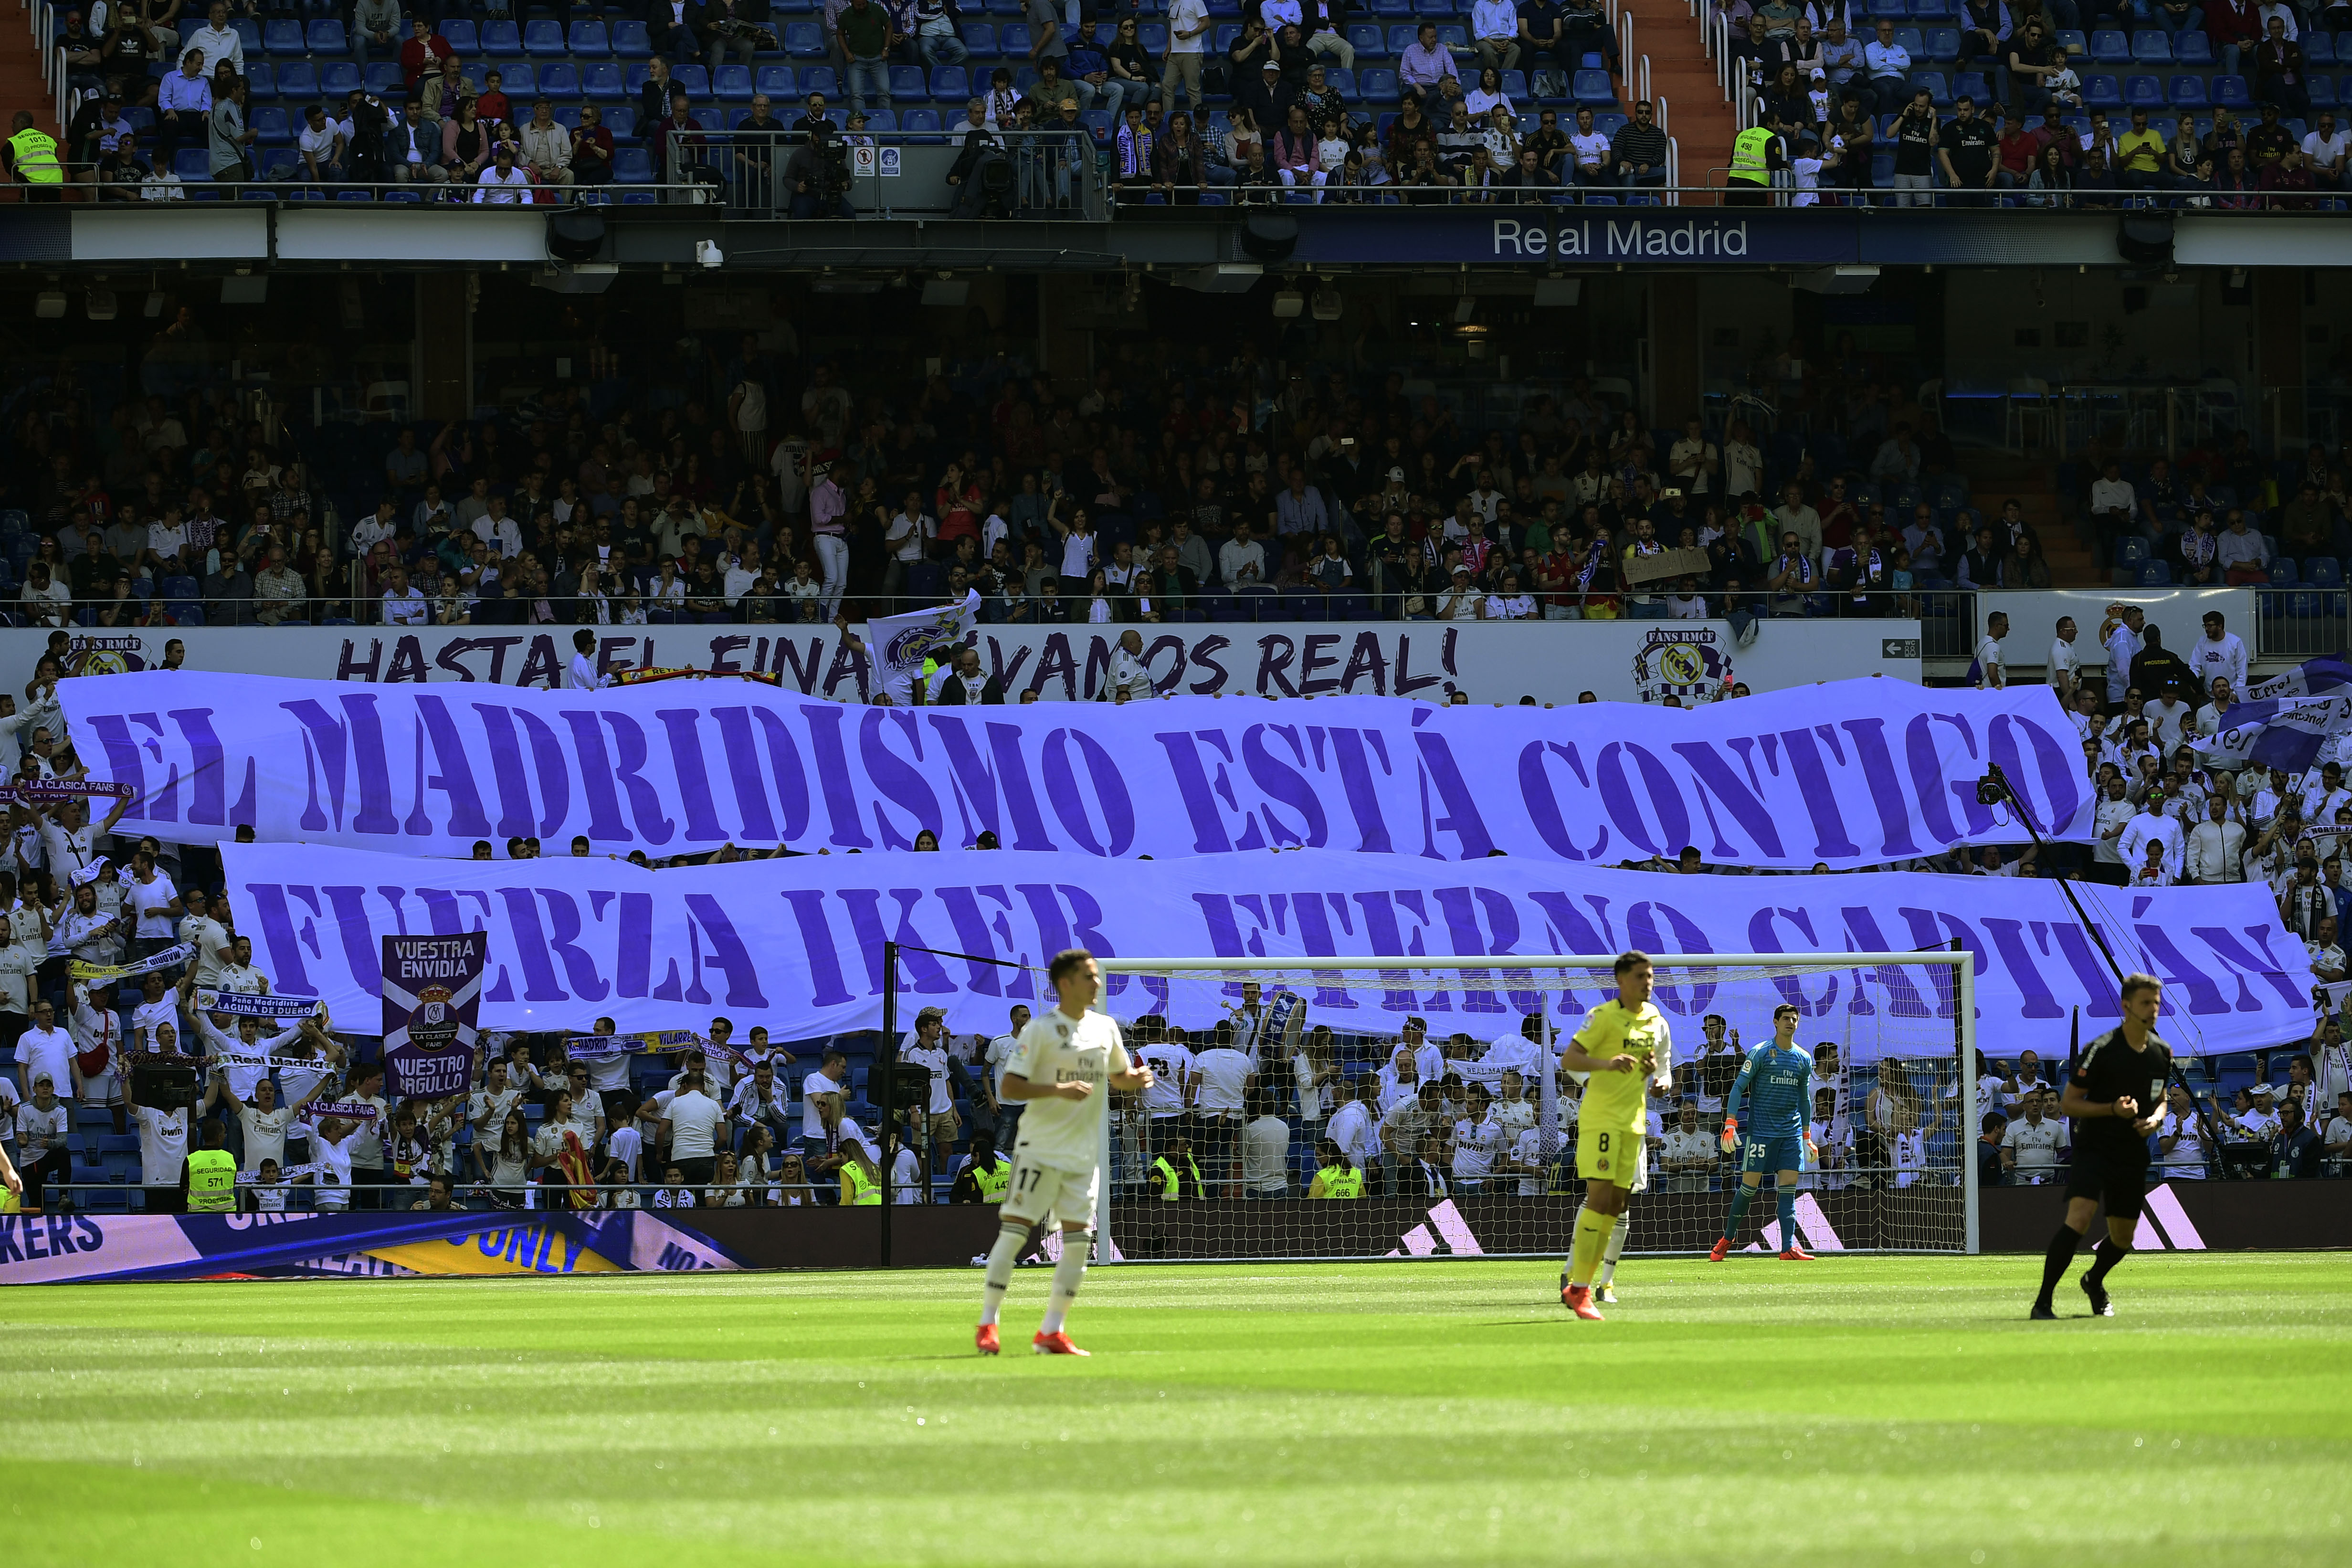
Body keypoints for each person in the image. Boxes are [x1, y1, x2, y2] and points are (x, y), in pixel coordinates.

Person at [973, 947, 1155, 1357]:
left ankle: (1051, 1330)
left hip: (1082, 1153)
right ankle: (988, 1323)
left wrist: (1137, 1078)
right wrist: (1059, 1088)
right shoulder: (1039, 1031)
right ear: (1065, 983)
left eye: (1097, 975)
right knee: (1015, 1232)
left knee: (1078, 1240)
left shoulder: (1105, 1027)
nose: (1097, 982)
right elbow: (1010, 1086)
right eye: (1089, 976)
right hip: (1039, 1147)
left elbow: (1119, 1076)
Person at [2030, 973, 2172, 1319]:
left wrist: (2155, 1120)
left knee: (2122, 1238)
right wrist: (2112, 1109)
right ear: (2126, 1006)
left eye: (2156, 1003)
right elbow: (2069, 1104)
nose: (2152, 1009)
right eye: (2145, 1003)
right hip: (2094, 1148)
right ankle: (2043, 1303)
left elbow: (2162, 1099)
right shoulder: (2101, 1049)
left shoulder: (2161, 1052)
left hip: (2132, 1153)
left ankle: (2093, 1281)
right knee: (2078, 1219)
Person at [1557, 949, 1672, 1320]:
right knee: (1599, 1198)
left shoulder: (1656, 1020)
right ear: (1621, 980)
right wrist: (1605, 1064)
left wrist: (1658, 1081)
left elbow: (1661, 1067)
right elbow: (1569, 1059)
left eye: (1650, 975)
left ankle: (1589, 1284)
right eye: (1640, 976)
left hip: (1634, 1123)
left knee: (1617, 1204)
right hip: (1601, 1119)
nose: (1647, 982)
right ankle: (1578, 1285)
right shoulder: (1602, 1016)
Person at [1708, 1002, 1817, 1262]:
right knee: (1749, 1188)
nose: (1791, 1023)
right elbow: (1737, 1088)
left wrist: (1807, 1136)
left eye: (1794, 1019)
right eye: (1786, 1019)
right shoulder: (1760, 1052)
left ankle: (1788, 1248)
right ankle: (1728, 1238)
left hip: (1790, 1133)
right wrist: (1730, 1123)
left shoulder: (1803, 1058)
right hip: (1761, 1133)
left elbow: (1804, 1099)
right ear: (1776, 1022)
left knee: (1788, 1189)